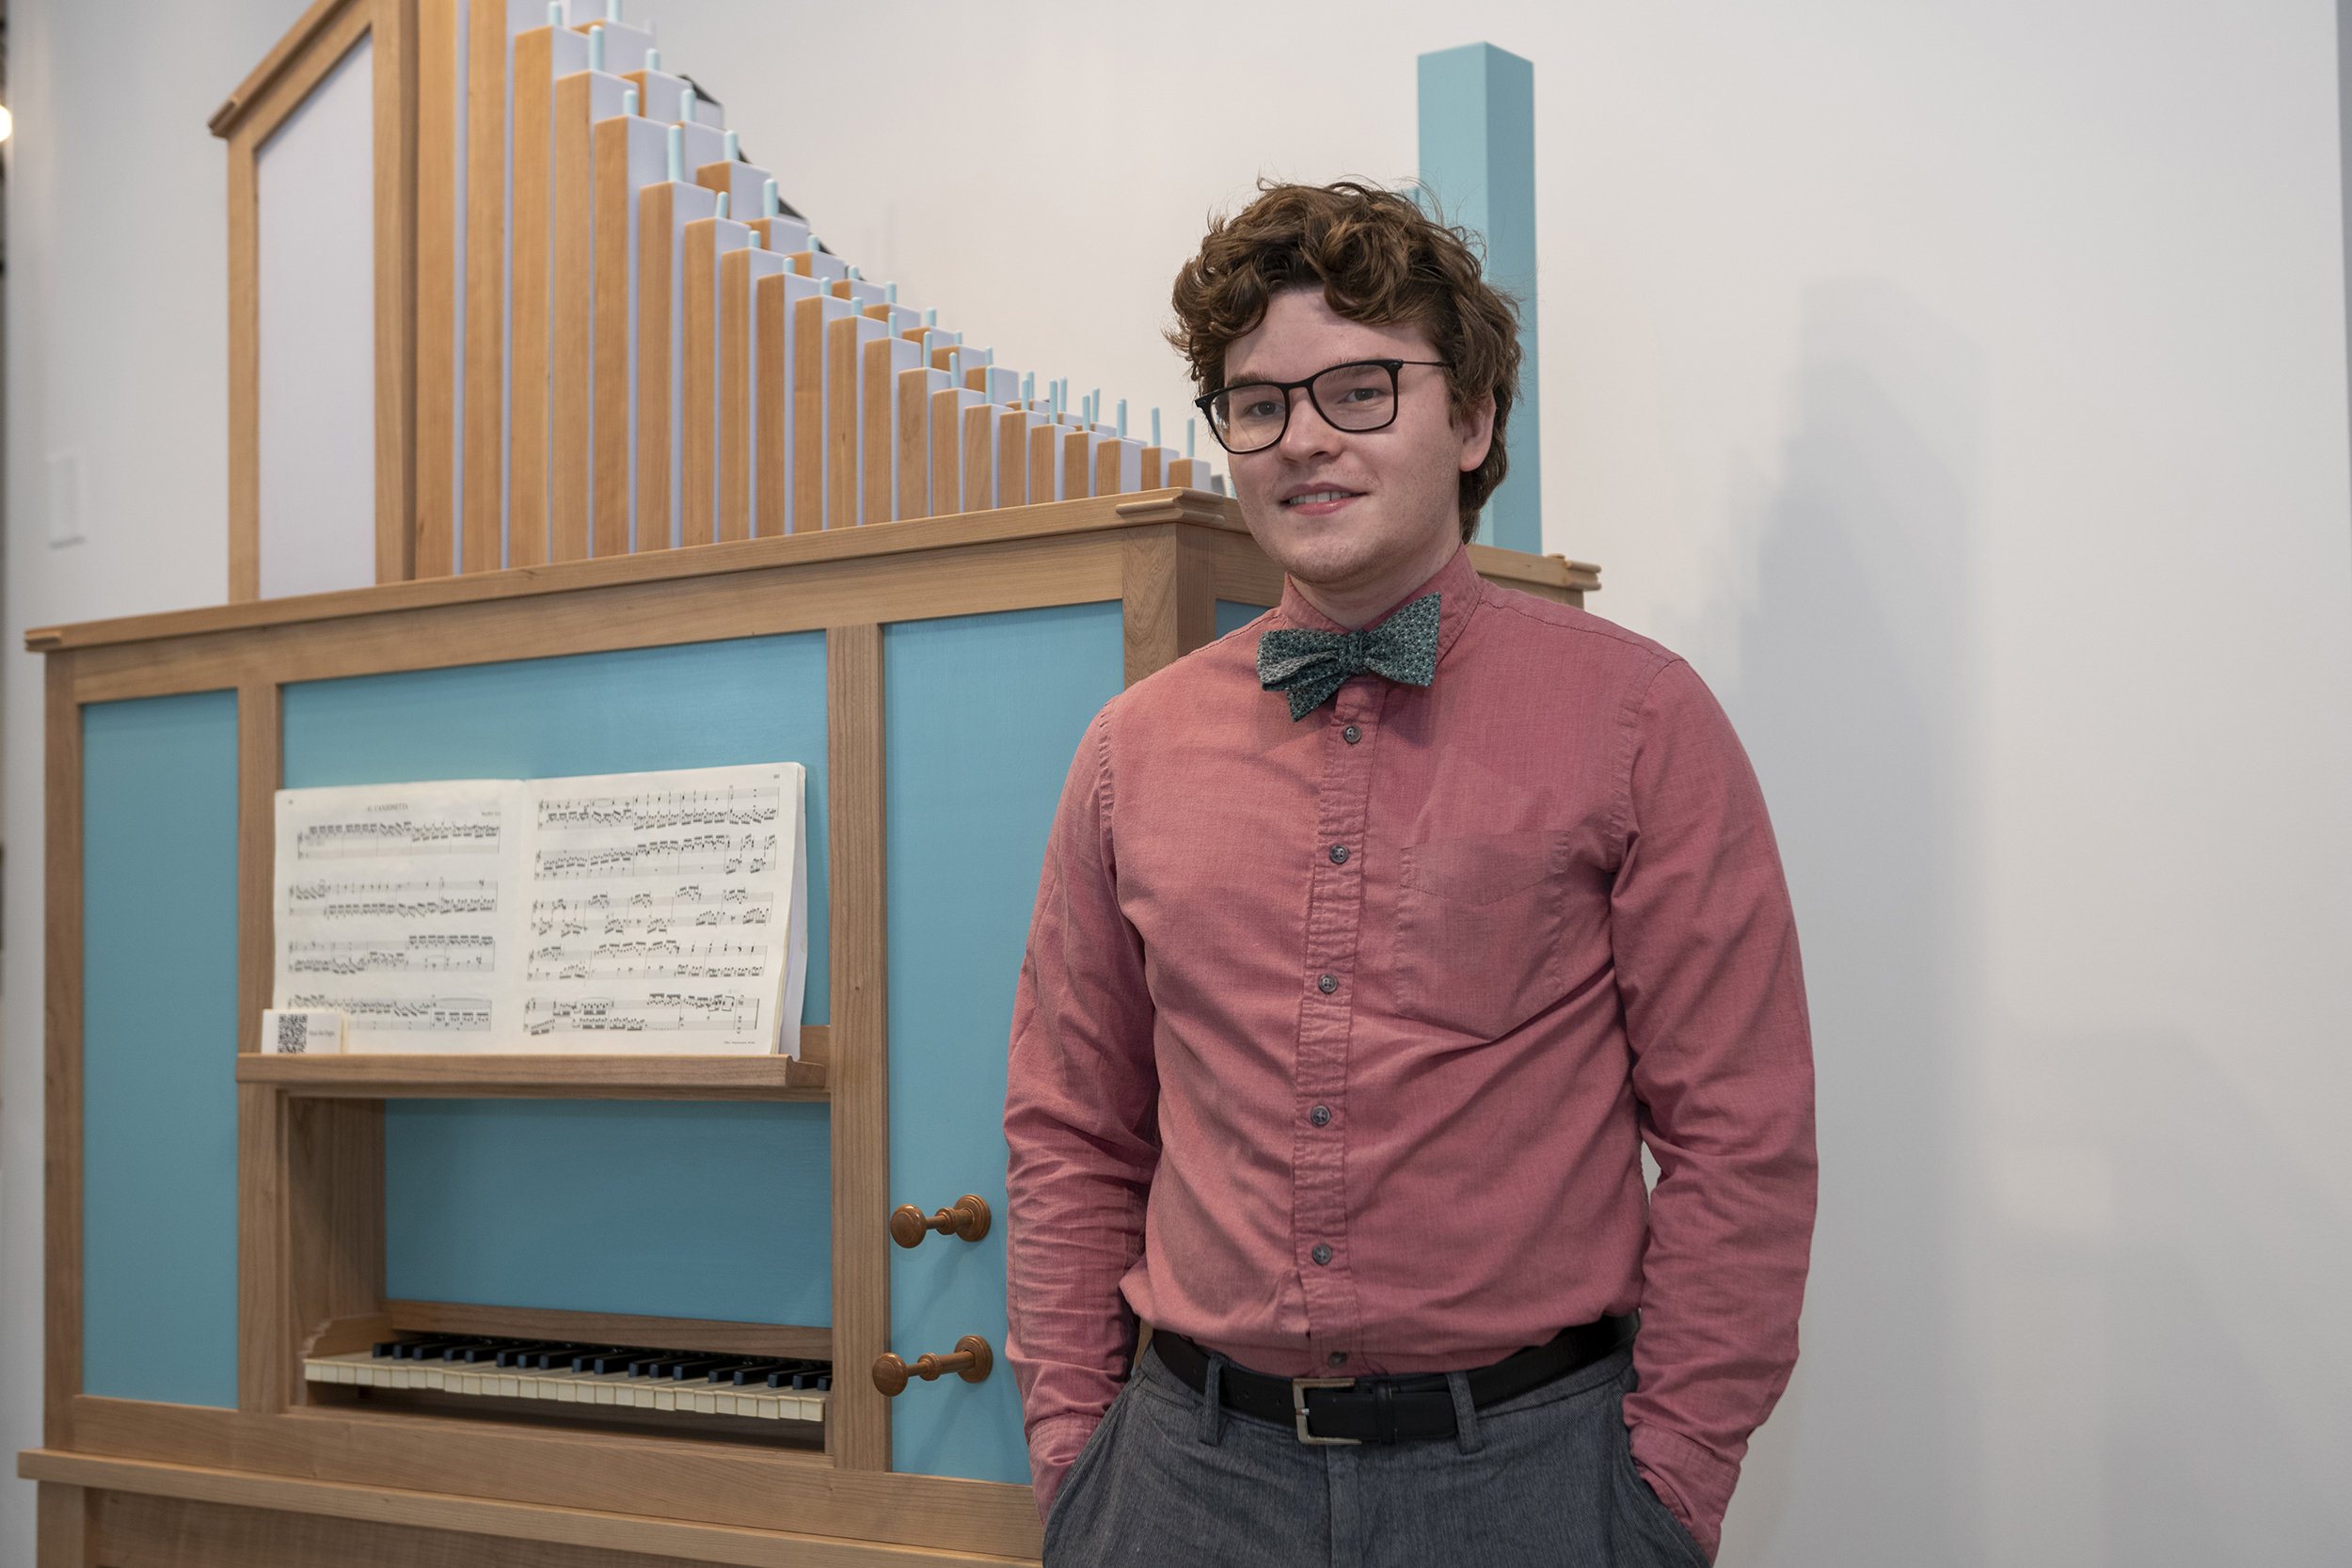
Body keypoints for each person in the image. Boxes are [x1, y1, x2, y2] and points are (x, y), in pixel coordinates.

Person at [1003, 180, 1816, 1567]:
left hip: (1536, 1487)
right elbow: (1072, 1128)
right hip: (1182, 1488)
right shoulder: (1129, 750)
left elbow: (1742, 1139)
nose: (1304, 438)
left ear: (1477, 418)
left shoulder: (1642, 722)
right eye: (1258, 403)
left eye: (1361, 388)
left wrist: (1666, 1487)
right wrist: (1078, 1460)